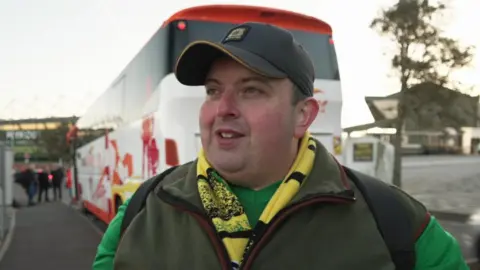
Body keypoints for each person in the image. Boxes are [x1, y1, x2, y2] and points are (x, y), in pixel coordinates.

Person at [93, 22, 468, 269]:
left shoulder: (397, 223)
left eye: (251, 90)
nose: (222, 109)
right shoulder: (140, 212)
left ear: (303, 115)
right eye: (213, 91)